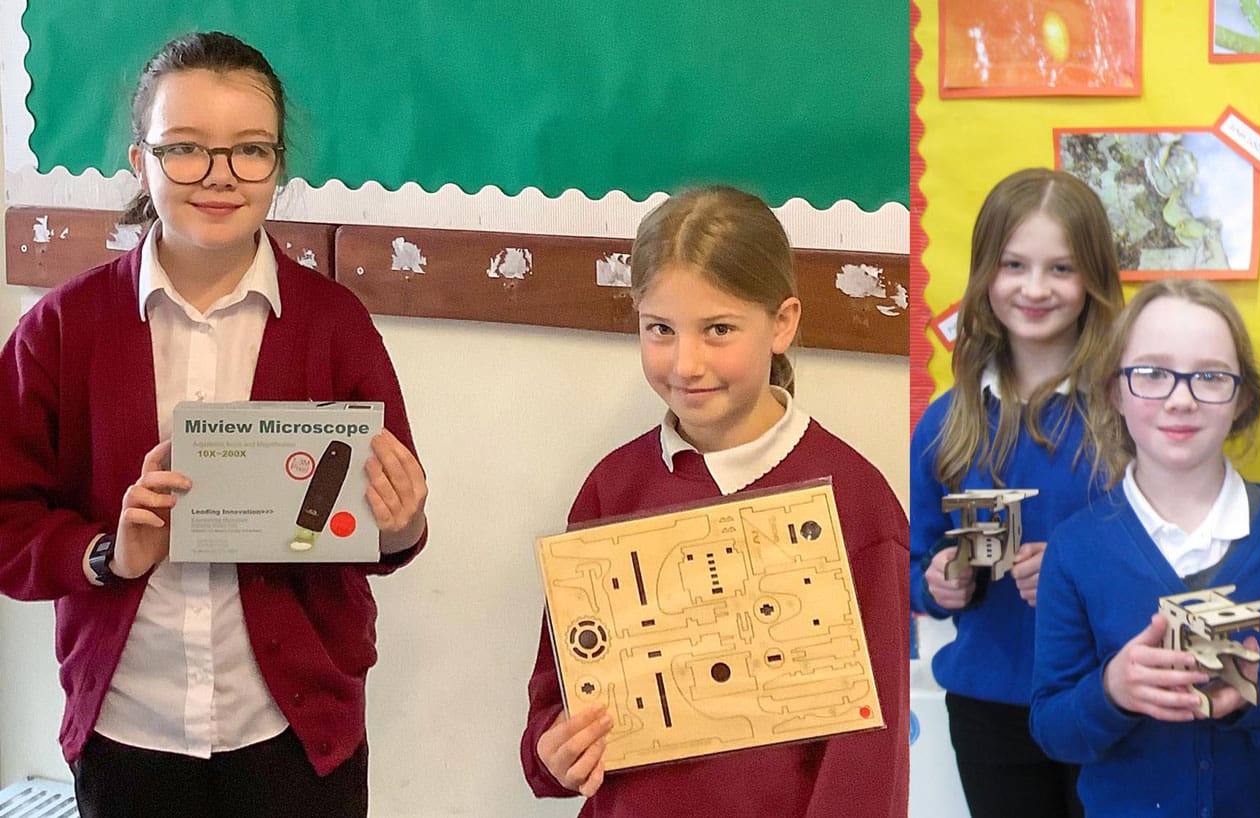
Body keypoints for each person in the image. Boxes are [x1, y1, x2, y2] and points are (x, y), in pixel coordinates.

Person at [0, 32, 429, 817]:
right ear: (141, 163)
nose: (220, 176)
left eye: (249, 151)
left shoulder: (334, 324)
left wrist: (401, 524)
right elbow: (8, 521)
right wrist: (106, 553)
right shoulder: (60, 329)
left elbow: (385, 530)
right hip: (130, 732)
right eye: (186, 150)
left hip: (297, 738)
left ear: (278, 163)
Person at [520, 186, 909, 817]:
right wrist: (554, 750)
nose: (686, 362)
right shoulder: (611, 489)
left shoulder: (856, 504)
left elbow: (870, 759)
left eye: (719, 329)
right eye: (660, 330)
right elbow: (558, 691)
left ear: (782, 323)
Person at [1031, 278, 1260, 817]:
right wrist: (1112, 691)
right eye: (1152, 373)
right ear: (1116, 391)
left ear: (1241, 399)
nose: (1181, 398)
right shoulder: (1076, 549)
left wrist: (1258, 692)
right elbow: (1053, 729)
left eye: (1210, 376)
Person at [910, 167, 1124, 817]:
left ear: (1093, 279)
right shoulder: (946, 422)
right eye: (1013, 265)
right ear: (984, 275)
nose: (1035, 288)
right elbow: (915, 561)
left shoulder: (1132, 413)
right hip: (991, 707)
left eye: (1061, 269)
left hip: (1110, 696)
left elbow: (1176, 556)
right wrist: (937, 582)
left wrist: (1077, 577)